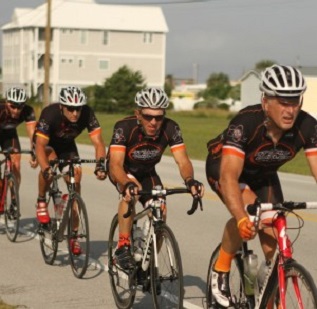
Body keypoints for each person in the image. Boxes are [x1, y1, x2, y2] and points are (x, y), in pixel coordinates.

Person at [205, 64, 317, 307]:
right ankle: (221, 269)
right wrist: (241, 217)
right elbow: (229, 178)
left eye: (295, 101)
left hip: (263, 175)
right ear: (265, 101)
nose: (290, 109)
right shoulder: (245, 123)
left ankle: (266, 290)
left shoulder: (308, 126)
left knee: (275, 247)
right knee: (249, 218)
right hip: (224, 170)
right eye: (283, 102)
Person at [107, 86, 205, 270]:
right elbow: (115, 165)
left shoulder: (171, 128)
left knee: (160, 209)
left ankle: (148, 261)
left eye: (159, 117)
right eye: (148, 116)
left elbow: (182, 161)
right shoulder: (124, 128)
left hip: (147, 171)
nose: (153, 122)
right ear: (138, 113)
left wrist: (190, 180)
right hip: (123, 169)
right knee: (131, 194)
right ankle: (123, 245)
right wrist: (126, 183)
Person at [34, 86, 107, 254]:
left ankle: (73, 235)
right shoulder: (50, 113)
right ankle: (41, 200)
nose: (75, 113)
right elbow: (39, 146)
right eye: (71, 109)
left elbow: (98, 142)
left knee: (76, 179)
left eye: (78, 109)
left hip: (67, 146)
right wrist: (45, 168)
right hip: (47, 144)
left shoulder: (87, 113)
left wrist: (100, 165)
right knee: (50, 165)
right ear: (62, 107)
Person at [0, 87, 37, 216]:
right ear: (6, 102)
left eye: (19, 107)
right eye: (13, 106)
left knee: (16, 163)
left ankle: (14, 202)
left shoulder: (28, 111)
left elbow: (33, 134)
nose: (16, 110)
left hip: (9, 134)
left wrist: (35, 152)